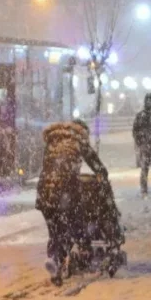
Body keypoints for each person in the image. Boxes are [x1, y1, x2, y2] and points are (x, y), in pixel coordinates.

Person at [36, 119, 108, 284]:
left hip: (45, 192)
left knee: (54, 230)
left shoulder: (53, 140)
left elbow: (50, 166)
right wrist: (101, 176)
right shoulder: (78, 140)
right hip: (65, 190)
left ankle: (54, 259)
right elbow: (96, 164)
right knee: (71, 226)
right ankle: (71, 254)